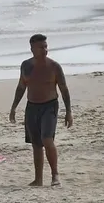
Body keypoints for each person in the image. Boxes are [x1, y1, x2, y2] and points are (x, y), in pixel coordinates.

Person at [9, 33, 72, 187]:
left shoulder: (54, 66)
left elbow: (64, 89)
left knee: (47, 139)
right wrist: (14, 107)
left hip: (49, 106)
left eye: (45, 47)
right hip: (32, 107)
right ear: (32, 49)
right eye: (41, 47)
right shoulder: (26, 65)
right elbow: (21, 87)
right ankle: (38, 179)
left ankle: (55, 175)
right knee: (36, 144)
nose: (44, 50)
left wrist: (68, 112)